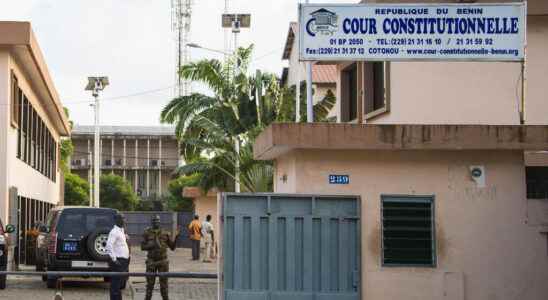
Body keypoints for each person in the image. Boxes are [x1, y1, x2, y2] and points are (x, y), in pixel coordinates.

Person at [141, 215, 180, 300]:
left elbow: (172, 247)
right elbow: (142, 247)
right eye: (154, 220)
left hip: (163, 262)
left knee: (164, 286)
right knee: (149, 286)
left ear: (160, 222)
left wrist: (176, 237)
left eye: (158, 220)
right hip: (151, 262)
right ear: (152, 222)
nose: (156, 222)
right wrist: (151, 245)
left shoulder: (165, 233)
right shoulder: (147, 233)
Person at [106, 213, 130, 300]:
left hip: (123, 261)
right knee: (115, 284)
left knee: (119, 283)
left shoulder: (121, 230)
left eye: (124, 218)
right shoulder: (114, 232)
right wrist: (114, 259)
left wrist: (125, 237)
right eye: (122, 218)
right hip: (118, 261)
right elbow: (109, 245)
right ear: (117, 220)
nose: (124, 220)